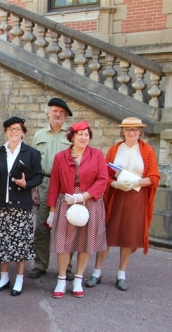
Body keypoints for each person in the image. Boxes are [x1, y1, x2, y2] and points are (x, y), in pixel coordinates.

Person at [87, 117, 160, 291]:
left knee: (129, 234)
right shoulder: (114, 149)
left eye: (135, 129)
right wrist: (114, 183)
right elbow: (104, 173)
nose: (132, 132)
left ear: (140, 132)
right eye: (128, 130)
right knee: (107, 234)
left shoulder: (147, 151)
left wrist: (136, 183)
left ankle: (121, 273)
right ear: (123, 132)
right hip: (115, 196)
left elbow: (154, 177)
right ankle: (97, 271)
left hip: (136, 197)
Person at [47, 121, 108, 299]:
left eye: (86, 134)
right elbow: (54, 185)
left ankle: (78, 279)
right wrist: (51, 212)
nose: (83, 137)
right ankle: (61, 279)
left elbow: (102, 180)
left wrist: (83, 196)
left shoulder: (97, 155)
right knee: (63, 243)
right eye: (80, 134)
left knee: (86, 241)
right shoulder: (60, 157)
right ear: (72, 137)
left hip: (90, 202)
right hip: (66, 202)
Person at [0, 117, 43, 296]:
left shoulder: (31, 153)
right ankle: (4, 277)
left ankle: (19, 278)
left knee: (20, 245)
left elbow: (39, 177)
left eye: (17, 129)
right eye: (10, 129)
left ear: (23, 132)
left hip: (21, 205)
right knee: (2, 244)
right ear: (6, 132)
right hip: (1, 205)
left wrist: (26, 184)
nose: (14, 132)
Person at [30, 98, 76, 280]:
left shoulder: (72, 135)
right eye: (55, 111)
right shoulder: (39, 135)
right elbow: (33, 165)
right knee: (42, 227)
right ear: (48, 113)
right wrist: (33, 190)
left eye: (62, 112)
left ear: (66, 117)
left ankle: (67, 267)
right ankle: (40, 264)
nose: (58, 114)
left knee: (67, 226)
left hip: (67, 186)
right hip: (44, 183)